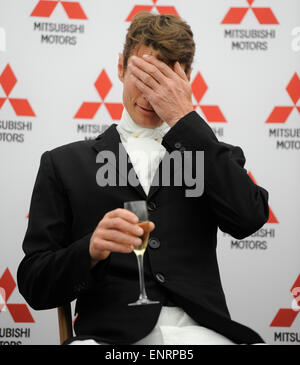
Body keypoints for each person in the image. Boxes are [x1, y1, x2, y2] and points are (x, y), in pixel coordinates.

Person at [17, 12, 269, 345]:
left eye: (162, 77)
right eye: (141, 73)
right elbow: (35, 282)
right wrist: (89, 250)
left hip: (203, 334)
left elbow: (249, 218)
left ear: (185, 79)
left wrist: (184, 119)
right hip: (111, 338)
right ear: (120, 69)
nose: (150, 93)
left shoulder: (211, 155)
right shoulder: (63, 163)